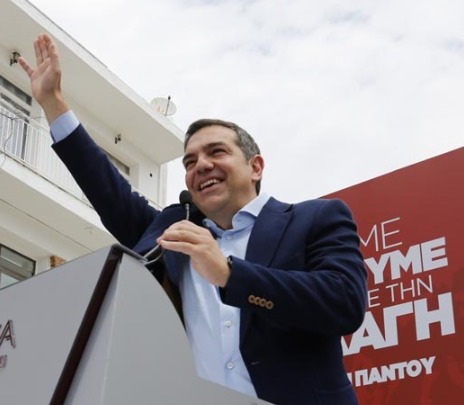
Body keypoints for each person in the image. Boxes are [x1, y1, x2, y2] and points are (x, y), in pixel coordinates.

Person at [19, 33, 368, 405]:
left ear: (255, 166)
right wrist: (53, 104)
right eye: (190, 161)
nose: (201, 165)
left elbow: (344, 303)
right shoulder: (172, 233)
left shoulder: (316, 219)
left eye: (216, 152)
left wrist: (231, 275)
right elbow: (105, 187)